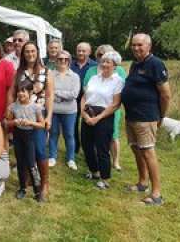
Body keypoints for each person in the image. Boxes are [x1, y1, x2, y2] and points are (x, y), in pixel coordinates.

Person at [121, 33, 171, 206]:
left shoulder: (155, 64)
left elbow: (165, 94)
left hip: (146, 116)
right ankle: (143, 182)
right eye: (134, 45)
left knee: (148, 152)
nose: (136, 48)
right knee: (136, 149)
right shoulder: (135, 64)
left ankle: (156, 194)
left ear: (149, 46)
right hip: (132, 116)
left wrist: (160, 115)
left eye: (140, 45)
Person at [8, 41, 54, 200]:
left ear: (38, 52)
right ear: (23, 54)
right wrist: (10, 113)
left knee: (40, 150)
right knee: (23, 150)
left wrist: (49, 117)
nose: (30, 54)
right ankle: (26, 180)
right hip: (21, 116)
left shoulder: (47, 72)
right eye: (27, 51)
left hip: (38, 115)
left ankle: (44, 184)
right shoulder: (18, 72)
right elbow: (12, 92)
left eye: (33, 51)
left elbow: (49, 96)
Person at [81, 51, 124, 190]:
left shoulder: (118, 81)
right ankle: (94, 172)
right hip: (88, 113)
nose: (104, 64)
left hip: (104, 116)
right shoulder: (94, 78)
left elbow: (116, 104)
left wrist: (98, 118)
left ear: (115, 65)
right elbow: (84, 97)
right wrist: (83, 113)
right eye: (103, 61)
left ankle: (105, 179)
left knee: (102, 148)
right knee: (87, 145)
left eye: (108, 62)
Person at [6, 81, 45, 201]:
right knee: (20, 163)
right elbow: (6, 122)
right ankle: (22, 188)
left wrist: (30, 123)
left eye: (23, 91)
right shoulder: (13, 106)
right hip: (18, 136)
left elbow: (42, 124)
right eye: (19, 91)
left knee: (31, 163)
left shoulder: (35, 107)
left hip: (30, 136)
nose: (20, 93)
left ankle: (37, 191)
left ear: (30, 92)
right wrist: (14, 122)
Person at [48, 50, 80, 170]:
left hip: (69, 111)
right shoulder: (50, 74)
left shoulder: (75, 76)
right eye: (60, 59)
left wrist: (56, 93)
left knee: (69, 135)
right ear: (56, 61)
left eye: (65, 59)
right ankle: (52, 156)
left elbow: (74, 94)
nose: (63, 61)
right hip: (54, 110)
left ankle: (71, 159)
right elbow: (48, 92)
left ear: (69, 61)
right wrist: (60, 94)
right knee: (53, 134)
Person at [70, 42, 97, 155]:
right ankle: (75, 147)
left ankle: (91, 149)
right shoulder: (70, 64)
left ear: (89, 52)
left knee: (89, 124)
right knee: (73, 124)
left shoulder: (94, 66)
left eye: (83, 51)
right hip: (73, 99)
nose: (80, 53)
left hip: (90, 100)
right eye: (79, 50)